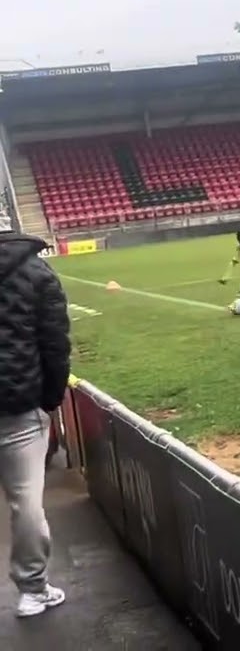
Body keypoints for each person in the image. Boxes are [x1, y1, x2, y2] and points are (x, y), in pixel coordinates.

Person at [0, 210, 70, 619]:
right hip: (19, 404)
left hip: (21, 403)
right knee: (25, 499)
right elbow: (55, 344)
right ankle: (31, 589)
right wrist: (51, 399)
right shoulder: (39, 274)